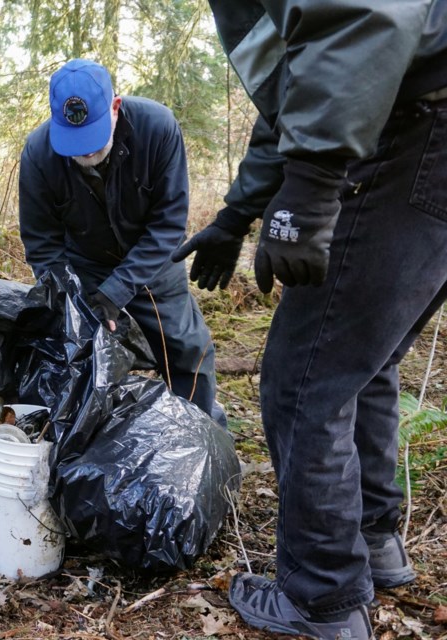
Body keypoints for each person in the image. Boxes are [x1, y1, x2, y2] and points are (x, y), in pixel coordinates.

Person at [172, 2, 447, 638]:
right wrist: (237, 215)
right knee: (363, 362)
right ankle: (375, 540)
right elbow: (298, 84)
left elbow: (363, 15)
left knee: (304, 380)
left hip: (410, 130)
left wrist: (313, 184)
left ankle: (324, 599)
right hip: (418, 124)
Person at [19, 58, 226, 425]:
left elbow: (168, 224)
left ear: (115, 107)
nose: (85, 153)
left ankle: (204, 441)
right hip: (86, 267)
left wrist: (120, 288)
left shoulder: (157, 128)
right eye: (75, 145)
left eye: (93, 141)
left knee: (188, 354)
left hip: (154, 265)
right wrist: (75, 300)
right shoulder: (39, 153)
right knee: (82, 360)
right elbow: (42, 243)